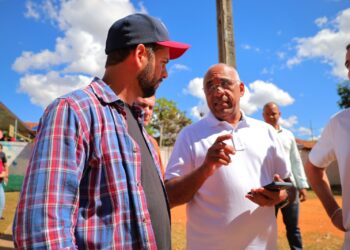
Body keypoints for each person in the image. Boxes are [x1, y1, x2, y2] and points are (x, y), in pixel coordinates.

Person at [13, 13, 189, 249]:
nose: (165, 73)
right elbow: (42, 232)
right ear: (139, 55)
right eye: (163, 63)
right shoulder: (74, 112)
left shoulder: (139, 126)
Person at [165, 63, 292, 250]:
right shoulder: (190, 135)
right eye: (210, 86)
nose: (217, 92)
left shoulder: (266, 132)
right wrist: (205, 168)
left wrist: (279, 196)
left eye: (224, 84)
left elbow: (289, 186)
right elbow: (170, 196)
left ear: (241, 89)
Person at [305, 43, 350, 249]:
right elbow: (313, 167)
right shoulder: (340, 123)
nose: (349, 71)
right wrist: (334, 212)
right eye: (348, 65)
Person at [263, 101, 309, 250]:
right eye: (268, 114)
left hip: (290, 186)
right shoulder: (259, 135)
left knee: (293, 227)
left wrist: (302, 185)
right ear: (263, 116)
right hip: (269, 187)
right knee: (267, 227)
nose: (271, 116)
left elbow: (296, 161)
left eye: (274, 113)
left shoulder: (288, 135)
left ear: (279, 114)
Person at [135, 95, 165, 177]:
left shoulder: (153, 143)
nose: (147, 112)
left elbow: (161, 177)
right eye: (143, 105)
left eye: (151, 108)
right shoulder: (121, 135)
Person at [0, 143, 8, 220]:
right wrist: (2, 175)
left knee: (2, 201)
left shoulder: (2, 155)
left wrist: (6, 175)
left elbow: (5, 165)